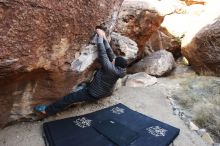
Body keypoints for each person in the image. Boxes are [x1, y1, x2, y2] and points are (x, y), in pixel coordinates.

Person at [34, 29, 128, 116]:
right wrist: (104, 38)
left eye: (114, 61)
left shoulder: (110, 68)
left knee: (69, 98)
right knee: (82, 87)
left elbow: (103, 53)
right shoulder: (121, 69)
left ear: (114, 64)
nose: (113, 60)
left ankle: (47, 110)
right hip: (105, 91)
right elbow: (110, 53)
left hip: (93, 93)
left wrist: (99, 36)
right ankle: (87, 89)